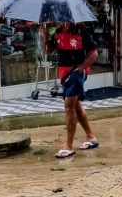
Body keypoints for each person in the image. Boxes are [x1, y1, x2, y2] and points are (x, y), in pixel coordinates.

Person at [44, 21, 100, 158]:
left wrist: (81, 68)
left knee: (69, 105)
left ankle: (68, 146)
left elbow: (94, 54)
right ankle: (91, 137)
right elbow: (49, 50)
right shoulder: (58, 32)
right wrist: (44, 35)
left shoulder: (82, 33)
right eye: (61, 21)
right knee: (76, 106)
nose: (64, 24)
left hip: (76, 73)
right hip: (64, 72)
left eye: (66, 21)